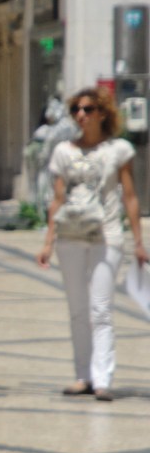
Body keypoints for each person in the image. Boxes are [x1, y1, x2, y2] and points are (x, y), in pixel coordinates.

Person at [36, 87, 147, 402]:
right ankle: (82, 375)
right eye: (76, 110)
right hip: (70, 236)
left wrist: (139, 241)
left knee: (100, 308)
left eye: (87, 109)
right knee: (77, 309)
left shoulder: (119, 150)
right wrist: (47, 242)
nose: (81, 116)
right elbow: (57, 199)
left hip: (106, 236)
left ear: (101, 113)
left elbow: (130, 197)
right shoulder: (63, 151)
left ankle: (102, 378)